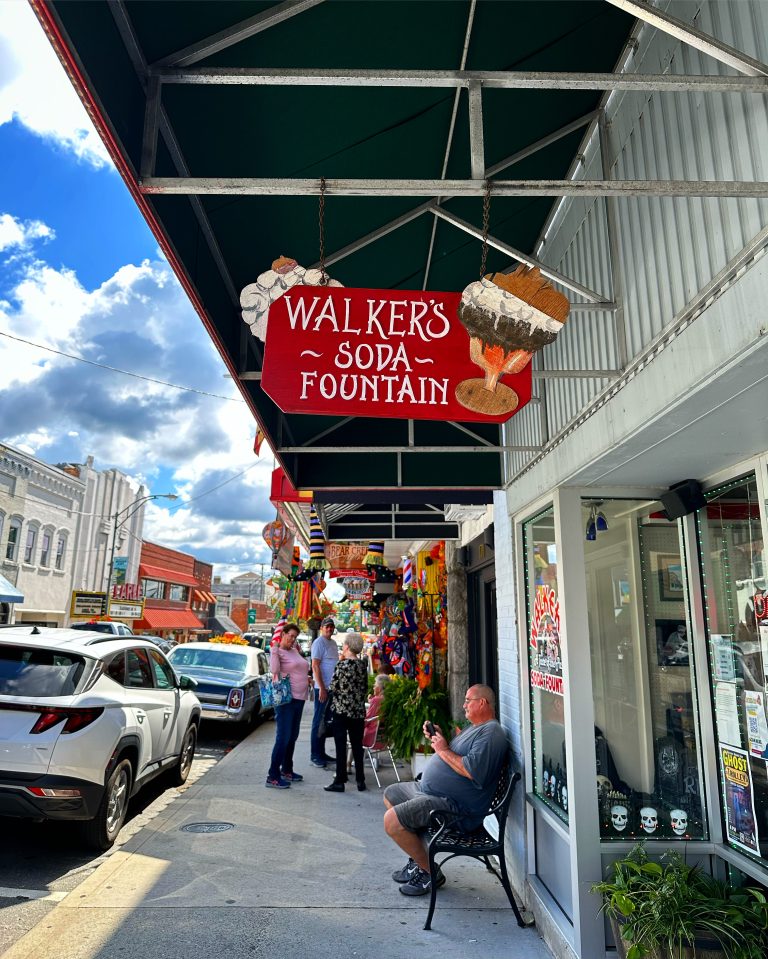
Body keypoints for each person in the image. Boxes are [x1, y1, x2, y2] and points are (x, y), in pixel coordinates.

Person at [382, 684, 510, 896]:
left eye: (468, 700)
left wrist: (443, 749)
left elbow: (472, 771)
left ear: (483, 703)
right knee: (391, 794)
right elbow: (456, 756)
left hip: (455, 808)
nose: (464, 705)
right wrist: (441, 739)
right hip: (432, 793)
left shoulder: (491, 733)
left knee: (392, 821)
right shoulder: (475, 728)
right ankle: (419, 859)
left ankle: (430, 873)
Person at [265, 623, 311, 789]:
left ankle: (287, 770)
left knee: (292, 736)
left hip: (299, 699)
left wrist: (307, 679)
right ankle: (273, 775)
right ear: (282, 634)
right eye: (290, 636)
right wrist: (275, 649)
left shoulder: (294, 650)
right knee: (283, 737)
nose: (293, 639)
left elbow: (301, 667)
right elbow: (275, 670)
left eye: (295, 637)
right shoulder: (277, 651)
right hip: (286, 700)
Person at [324, 632, 368, 793]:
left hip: (341, 711)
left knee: (340, 746)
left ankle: (340, 780)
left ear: (347, 646)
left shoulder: (342, 665)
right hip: (357, 712)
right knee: (357, 745)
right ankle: (360, 780)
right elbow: (364, 688)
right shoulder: (363, 665)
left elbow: (333, 687)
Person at [310, 616, 339, 768]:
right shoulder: (318, 643)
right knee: (318, 721)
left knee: (326, 722)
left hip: (331, 689)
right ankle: (315, 755)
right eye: (327, 626)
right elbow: (315, 666)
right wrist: (321, 687)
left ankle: (322, 753)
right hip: (322, 689)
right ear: (321, 628)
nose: (329, 629)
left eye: (331, 627)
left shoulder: (333, 643)